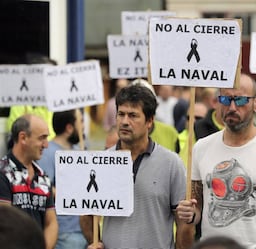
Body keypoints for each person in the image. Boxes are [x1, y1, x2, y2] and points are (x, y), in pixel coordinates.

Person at [177, 73, 256, 248]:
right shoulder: (202, 147)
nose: (232, 107)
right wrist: (189, 213)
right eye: (225, 99)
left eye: (240, 100)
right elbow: (197, 209)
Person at [80, 84, 192, 249]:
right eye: (121, 114)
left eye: (133, 115)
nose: (125, 121)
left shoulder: (171, 164)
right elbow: (86, 214)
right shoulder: (100, 163)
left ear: (149, 121)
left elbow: (183, 222)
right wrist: (94, 242)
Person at [0, 114, 58, 249]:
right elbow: (4, 222)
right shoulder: (3, 172)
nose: (46, 145)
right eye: (42, 138)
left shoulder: (42, 177)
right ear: (23, 138)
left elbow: (51, 223)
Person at [37, 109, 87, 249]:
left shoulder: (79, 149)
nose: (83, 126)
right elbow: (44, 186)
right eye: (81, 121)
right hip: (65, 232)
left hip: (85, 229)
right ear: (69, 128)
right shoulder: (48, 153)